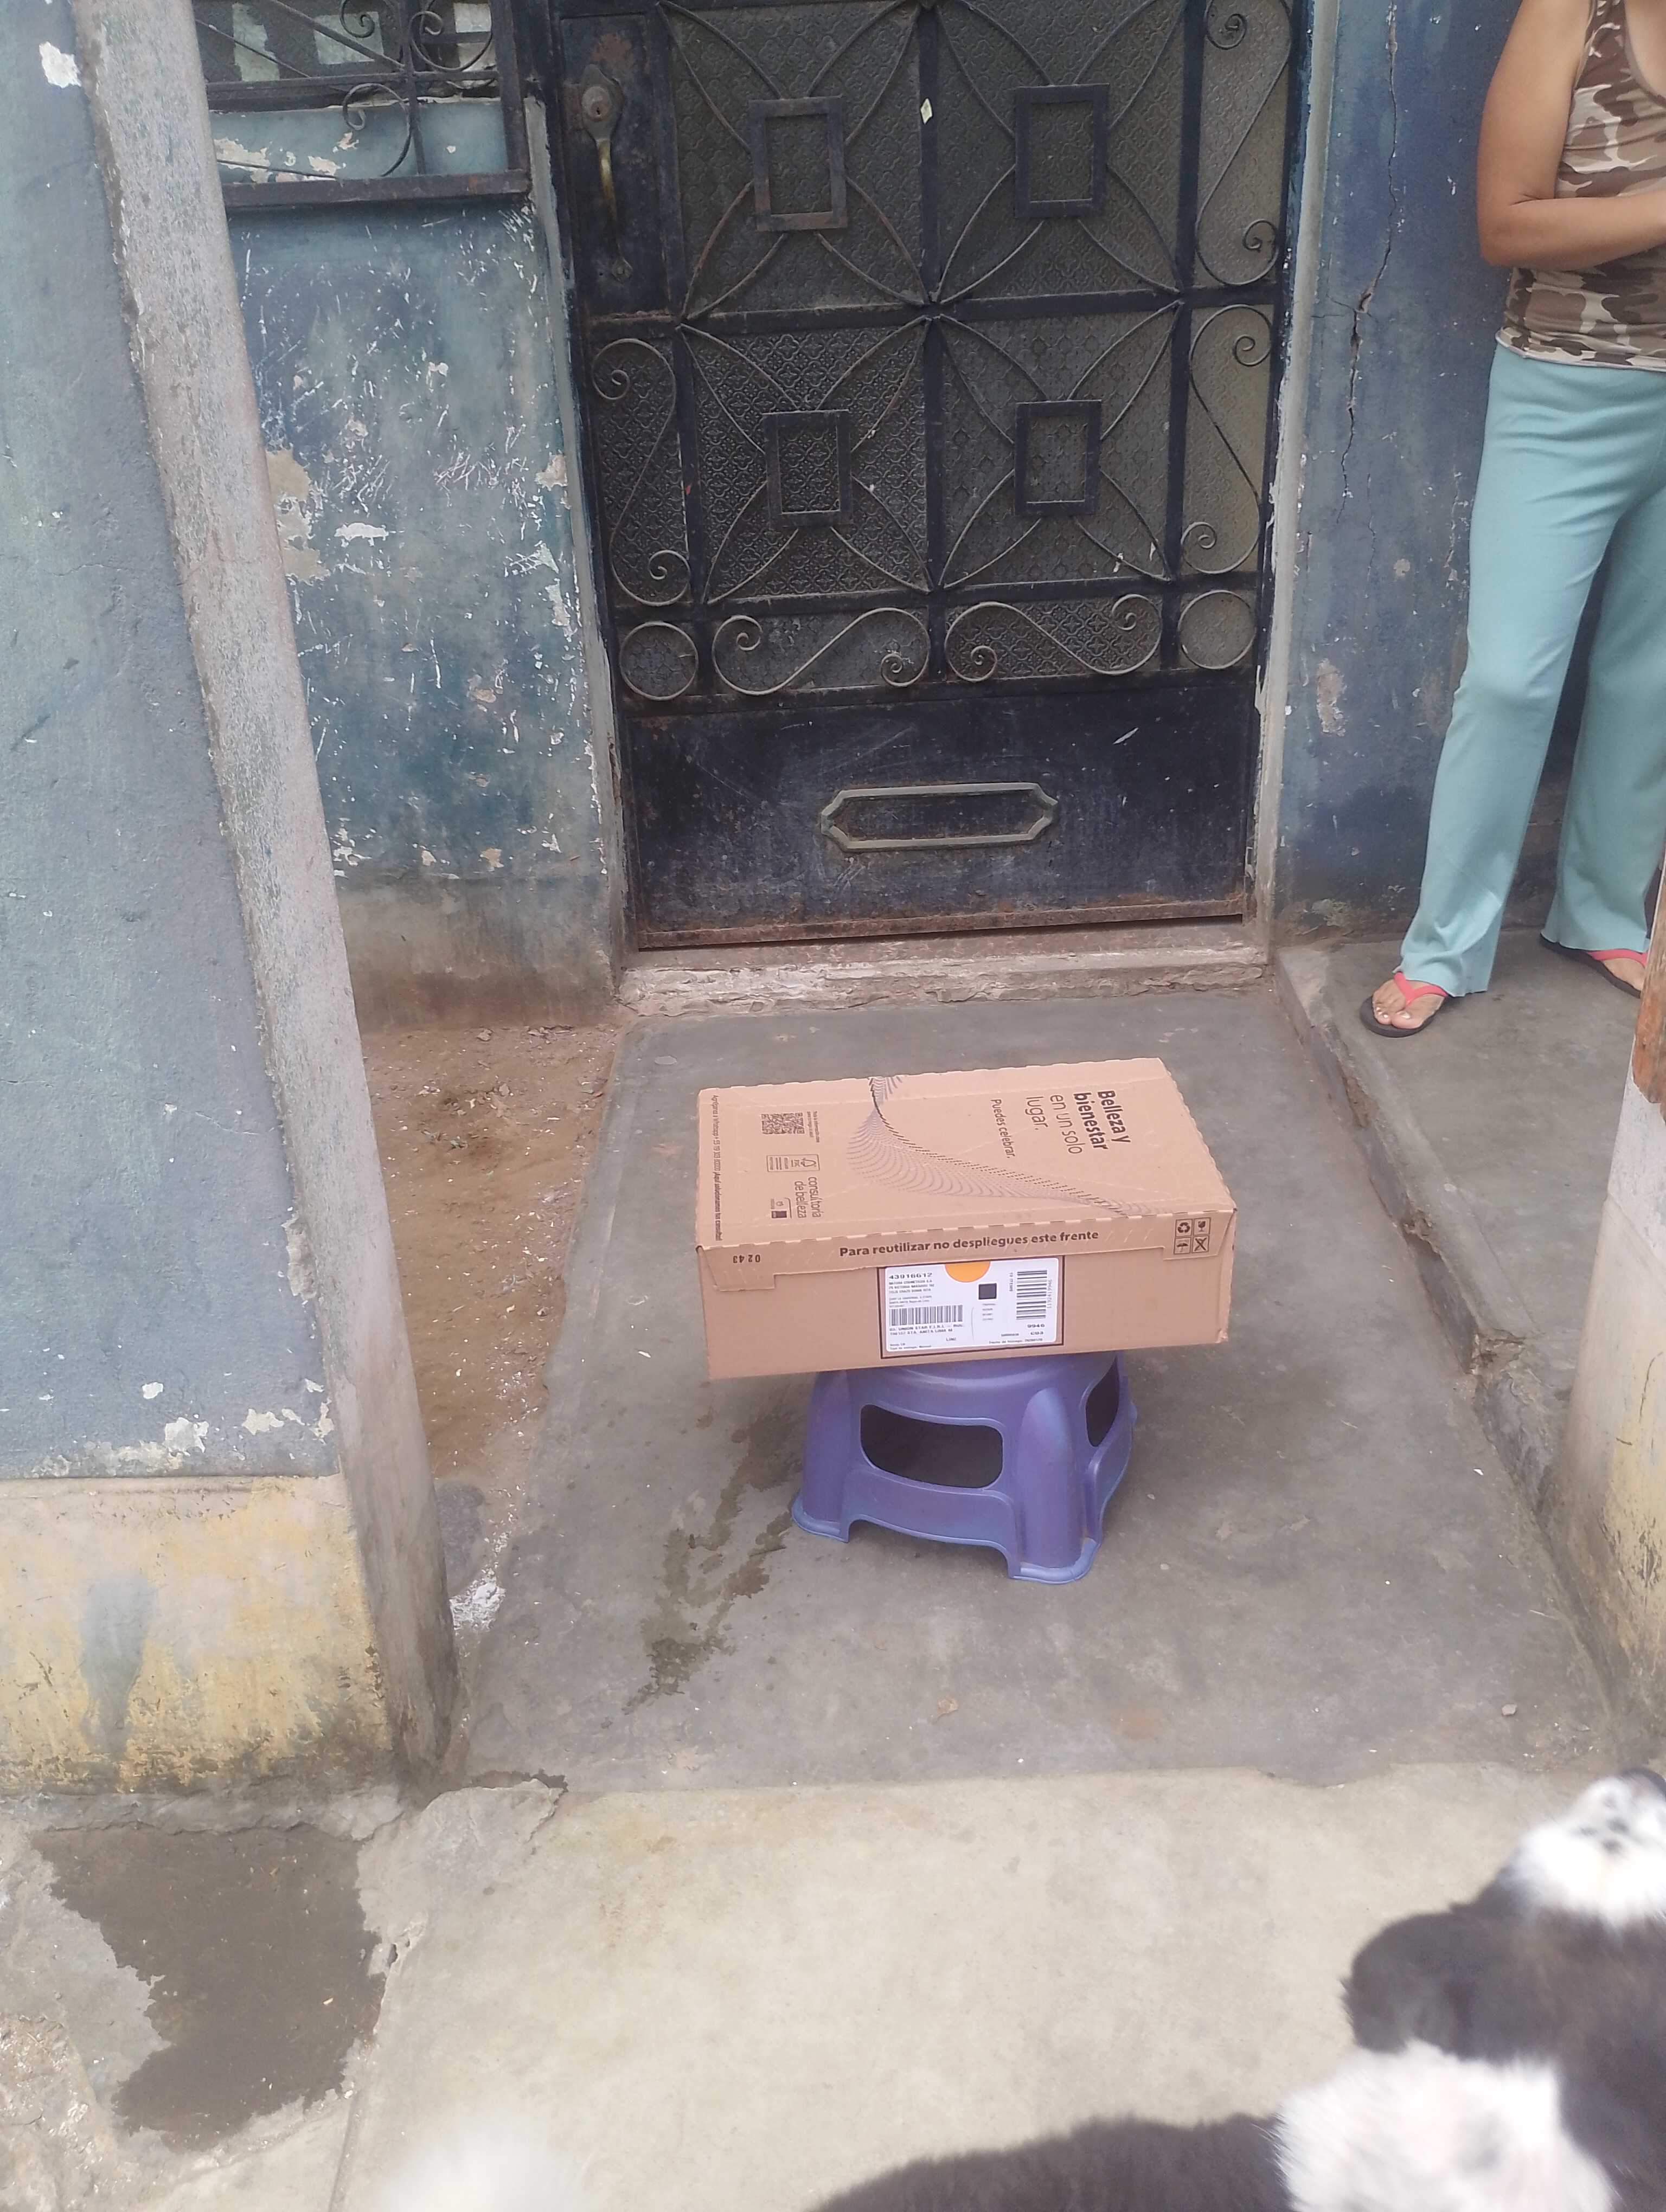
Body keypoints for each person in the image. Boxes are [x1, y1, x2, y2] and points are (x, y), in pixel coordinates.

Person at [1365, 0, 1666, 1037]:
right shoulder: (1577, 13)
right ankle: (1445, 945)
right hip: (1565, 395)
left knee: (1652, 676)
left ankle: (1605, 913)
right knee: (1508, 677)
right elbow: (1507, 224)